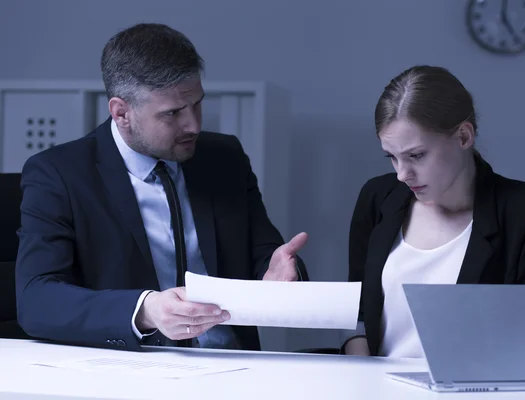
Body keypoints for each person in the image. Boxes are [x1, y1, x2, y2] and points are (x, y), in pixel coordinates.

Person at [15, 23, 309, 352]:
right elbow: (37, 299)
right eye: (172, 113)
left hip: (232, 366)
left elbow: (264, 257)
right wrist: (145, 310)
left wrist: (282, 275)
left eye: (197, 104)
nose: (194, 125)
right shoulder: (59, 174)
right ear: (121, 112)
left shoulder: (225, 158)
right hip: (129, 371)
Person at [341, 65, 525, 358]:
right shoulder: (377, 197)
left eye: (416, 155)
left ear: (463, 136)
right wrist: (362, 378)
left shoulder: (524, 209)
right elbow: (356, 310)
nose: (402, 174)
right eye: (392, 158)